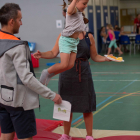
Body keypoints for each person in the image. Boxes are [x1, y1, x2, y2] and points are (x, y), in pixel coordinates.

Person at [33, 29, 111, 140]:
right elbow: (53, 53)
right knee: (66, 105)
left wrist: (105, 58)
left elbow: (95, 56)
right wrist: (42, 55)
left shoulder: (89, 37)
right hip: (67, 74)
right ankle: (66, 135)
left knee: (87, 105)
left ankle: (89, 136)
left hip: (84, 73)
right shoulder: (63, 35)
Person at [0, 3, 62, 140]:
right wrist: (52, 95)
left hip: (2, 99)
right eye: (19, 19)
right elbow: (26, 78)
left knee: (5, 134)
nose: (21, 23)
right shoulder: (18, 46)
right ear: (11, 21)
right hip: (19, 102)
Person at [39, 0, 89, 86]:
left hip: (74, 42)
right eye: (84, 4)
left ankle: (50, 75)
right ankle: (46, 72)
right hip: (66, 40)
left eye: (86, 4)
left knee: (70, 65)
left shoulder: (80, 13)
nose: (86, 6)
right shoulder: (73, 10)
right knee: (64, 64)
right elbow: (69, 10)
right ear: (76, 2)